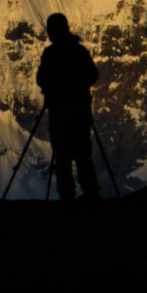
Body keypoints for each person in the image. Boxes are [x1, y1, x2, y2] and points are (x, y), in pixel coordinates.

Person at [36, 12, 99, 201]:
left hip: (59, 111)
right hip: (80, 110)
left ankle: (67, 196)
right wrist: (79, 86)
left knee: (62, 157)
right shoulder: (79, 51)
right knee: (83, 154)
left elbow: (41, 80)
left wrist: (54, 88)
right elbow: (93, 75)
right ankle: (91, 193)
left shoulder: (50, 53)